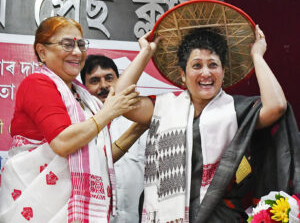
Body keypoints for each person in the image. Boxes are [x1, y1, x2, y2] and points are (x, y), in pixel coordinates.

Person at [114, 22, 300, 223]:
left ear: (223, 72)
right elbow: (122, 100)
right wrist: (146, 53)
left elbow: (277, 106)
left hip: (223, 218)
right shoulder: (164, 108)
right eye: (196, 65)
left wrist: (257, 56)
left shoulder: (236, 110)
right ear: (183, 75)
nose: (206, 73)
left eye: (213, 65)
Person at [0, 16, 141, 223]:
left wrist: (138, 129)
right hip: (37, 207)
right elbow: (62, 142)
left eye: (80, 44)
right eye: (67, 44)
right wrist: (108, 112)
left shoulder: (81, 97)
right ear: (42, 51)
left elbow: (101, 156)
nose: (77, 52)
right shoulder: (37, 83)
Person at [80, 54, 148, 223]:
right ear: (84, 87)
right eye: (94, 80)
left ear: (119, 81)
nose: (103, 86)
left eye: (109, 78)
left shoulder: (140, 119)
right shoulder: (80, 125)